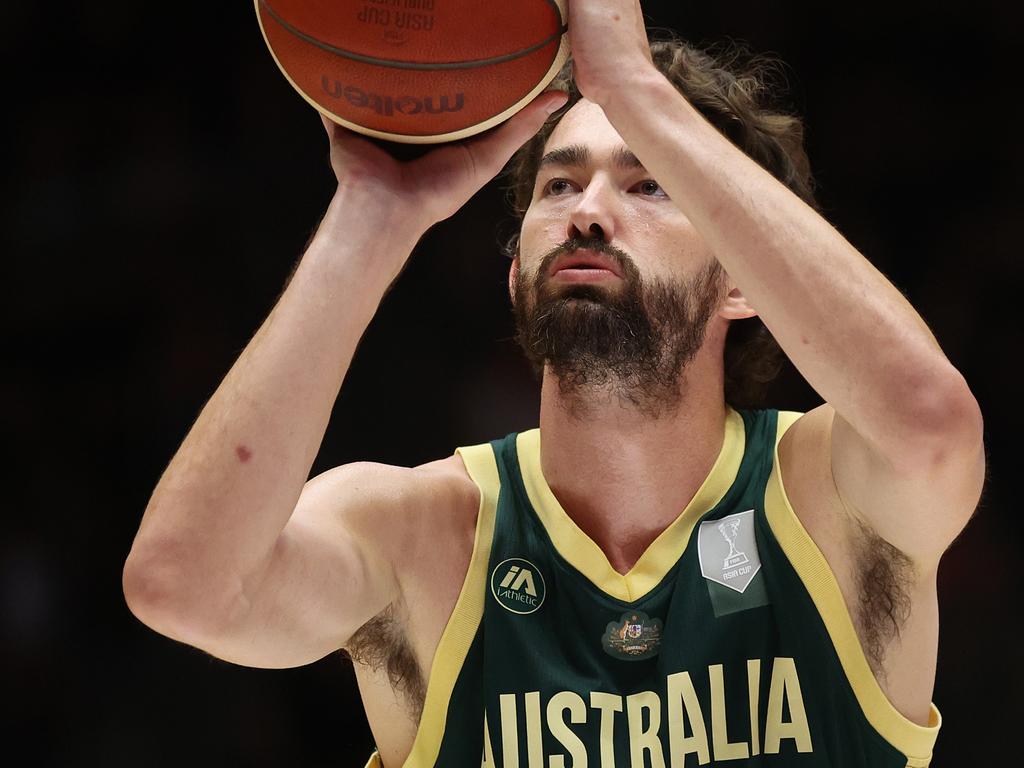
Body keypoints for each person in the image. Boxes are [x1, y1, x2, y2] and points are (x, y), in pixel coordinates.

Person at [123, 2, 986, 766]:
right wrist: (371, 215)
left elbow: (932, 424)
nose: (588, 211)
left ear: (745, 278)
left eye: (649, 183)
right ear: (515, 272)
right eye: (561, 182)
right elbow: (185, 587)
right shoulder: (422, 534)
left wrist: (638, 90)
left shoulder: (828, 497)